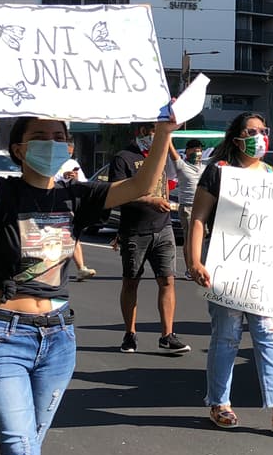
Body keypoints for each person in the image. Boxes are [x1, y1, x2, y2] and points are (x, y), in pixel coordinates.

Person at [0, 74, 177, 455]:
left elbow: (139, 185)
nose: (51, 142)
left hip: (58, 339)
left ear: (69, 147)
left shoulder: (76, 196)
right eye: (39, 135)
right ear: (18, 148)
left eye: (59, 136)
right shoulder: (2, 194)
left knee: (27, 453)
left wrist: (163, 132)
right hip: (3, 336)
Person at [185, 111, 273, 431]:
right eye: (251, 130)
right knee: (227, 337)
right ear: (236, 136)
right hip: (226, 267)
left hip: (262, 273)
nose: (259, 136)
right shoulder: (219, 172)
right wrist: (194, 261)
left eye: (263, 130)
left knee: (270, 335)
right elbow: (198, 218)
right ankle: (219, 402)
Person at [111, 122, 190, 354]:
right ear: (141, 132)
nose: (156, 135)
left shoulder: (161, 154)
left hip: (163, 228)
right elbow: (116, 193)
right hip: (135, 230)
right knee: (131, 281)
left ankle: (167, 335)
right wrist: (148, 200)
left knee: (167, 280)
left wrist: (170, 143)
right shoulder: (123, 158)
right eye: (153, 131)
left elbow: (179, 175)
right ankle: (130, 334)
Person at [169, 137, 207, 281]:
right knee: (190, 239)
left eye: (200, 150)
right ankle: (189, 269)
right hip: (188, 207)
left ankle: (200, 265)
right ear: (187, 151)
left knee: (203, 239)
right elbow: (172, 153)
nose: (198, 152)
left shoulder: (204, 167)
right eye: (195, 149)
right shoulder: (182, 165)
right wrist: (166, 135)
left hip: (203, 207)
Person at [56, 155, 97, 280]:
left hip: (70, 203)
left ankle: (81, 268)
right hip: (53, 202)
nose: (67, 153)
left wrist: (76, 178)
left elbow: (84, 183)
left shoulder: (72, 162)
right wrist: (62, 177)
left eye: (70, 151)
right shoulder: (51, 163)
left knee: (72, 236)